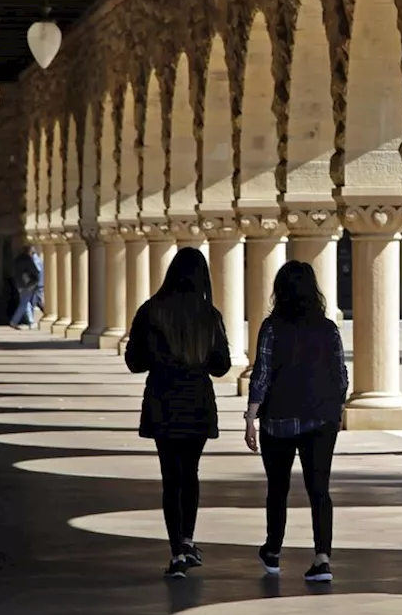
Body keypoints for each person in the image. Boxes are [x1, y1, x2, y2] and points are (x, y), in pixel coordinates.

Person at [124, 247, 232, 579]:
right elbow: (221, 366)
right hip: (197, 402)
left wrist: (162, 359)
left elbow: (134, 362)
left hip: (163, 401)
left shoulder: (151, 311)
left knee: (171, 478)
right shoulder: (208, 315)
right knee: (191, 473)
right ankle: (187, 539)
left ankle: (176, 551)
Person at [244, 260, 349, 583]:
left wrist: (251, 417)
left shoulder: (272, 327)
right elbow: (341, 377)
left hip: (278, 419)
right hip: (320, 419)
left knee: (278, 489)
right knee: (320, 490)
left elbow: (261, 374)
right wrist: (332, 408)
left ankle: (273, 551)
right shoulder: (328, 328)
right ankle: (322, 558)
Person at [9, 245, 41, 330]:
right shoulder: (27, 260)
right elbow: (35, 271)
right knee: (24, 303)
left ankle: (31, 321)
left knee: (26, 302)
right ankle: (14, 321)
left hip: (19, 284)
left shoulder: (18, 259)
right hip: (27, 284)